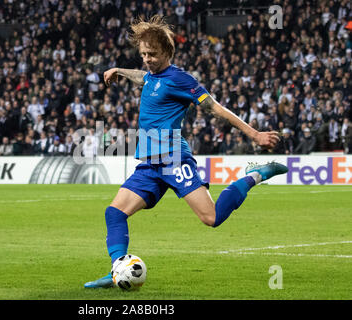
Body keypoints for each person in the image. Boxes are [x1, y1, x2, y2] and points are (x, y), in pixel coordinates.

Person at [84, 15, 288, 289]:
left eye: (152, 54)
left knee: (211, 218)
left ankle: (253, 176)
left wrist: (255, 135)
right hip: (150, 165)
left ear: (167, 52)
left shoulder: (180, 80)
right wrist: (119, 70)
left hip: (173, 158)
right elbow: (143, 78)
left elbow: (215, 108)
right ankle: (118, 269)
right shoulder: (152, 77)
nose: (147, 59)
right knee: (114, 213)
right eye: (143, 54)